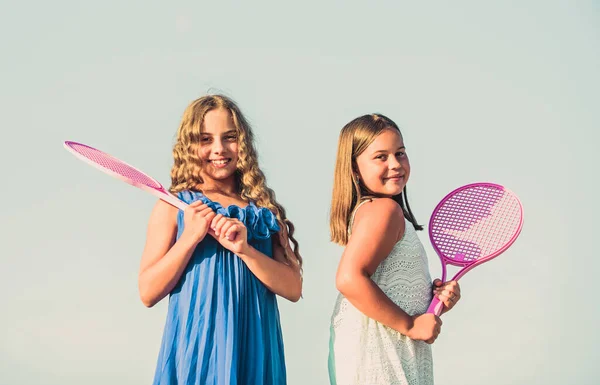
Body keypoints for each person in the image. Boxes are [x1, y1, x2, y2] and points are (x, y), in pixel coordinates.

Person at [138, 94, 302, 385]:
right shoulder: (175, 207)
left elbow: (292, 288)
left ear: (244, 144)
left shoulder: (262, 211)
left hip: (255, 348)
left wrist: (245, 250)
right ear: (189, 146)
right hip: (198, 349)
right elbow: (148, 292)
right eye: (205, 139)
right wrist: (190, 237)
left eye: (229, 137)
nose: (219, 149)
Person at [328, 113, 461, 385]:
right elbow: (348, 278)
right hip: (377, 356)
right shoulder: (384, 210)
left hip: (387, 350)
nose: (395, 164)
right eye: (381, 156)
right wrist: (410, 326)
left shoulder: (382, 211)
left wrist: (435, 303)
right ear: (354, 169)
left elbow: (392, 291)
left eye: (400, 153)